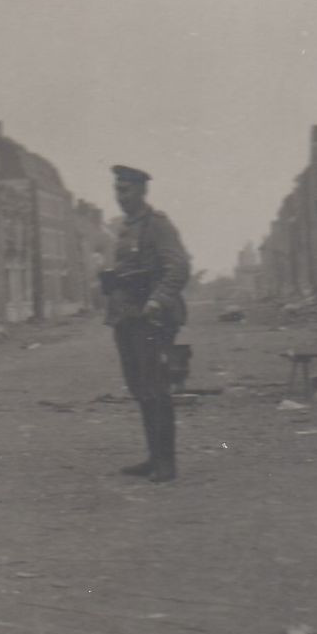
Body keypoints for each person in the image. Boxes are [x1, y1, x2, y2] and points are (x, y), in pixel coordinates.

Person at [103, 164, 190, 483]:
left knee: (156, 389)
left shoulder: (157, 225)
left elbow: (178, 267)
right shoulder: (124, 228)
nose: (119, 197)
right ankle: (153, 457)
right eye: (116, 190)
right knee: (140, 389)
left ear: (142, 191)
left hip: (151, 319)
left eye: (125, 190)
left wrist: (158, 299)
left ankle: (166, 463)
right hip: (126, 319)